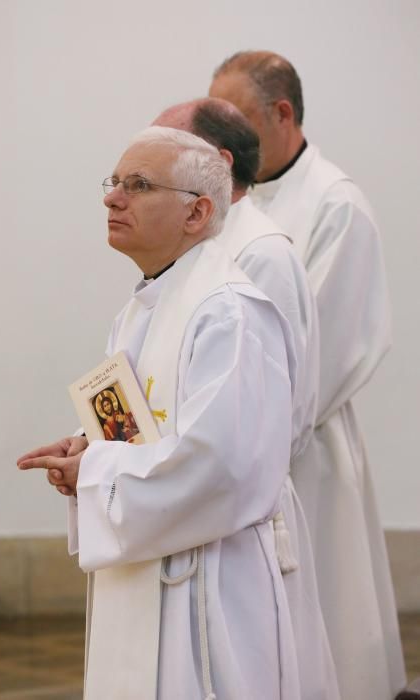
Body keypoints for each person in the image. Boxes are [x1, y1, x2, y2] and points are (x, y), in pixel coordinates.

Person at [18, 127, 305, 699]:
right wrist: (86, 447)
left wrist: (96, 474)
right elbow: (140, 423)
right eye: (114, 182)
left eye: (138, 185)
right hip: (152, 564)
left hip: (204, 582)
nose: (111, 198)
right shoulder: (146, 303)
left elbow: (220, 464)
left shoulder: (229, 312)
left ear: (197, 212)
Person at [209, 50, 406, 700]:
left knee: (323, 627)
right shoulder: (233, 200)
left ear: (282, 113)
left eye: (233, 118)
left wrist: (242, 427)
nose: (221, 141)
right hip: (242, 445)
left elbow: (322, 346)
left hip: (302, 449)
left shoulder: (334, 205)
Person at [154, 97, 339, 699]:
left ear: (218, 162)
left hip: (234, 510)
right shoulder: (194, 250)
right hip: (189, 498)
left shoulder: (260, 251)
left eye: (166, 146)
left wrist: (190, 471)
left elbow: (277, 405)